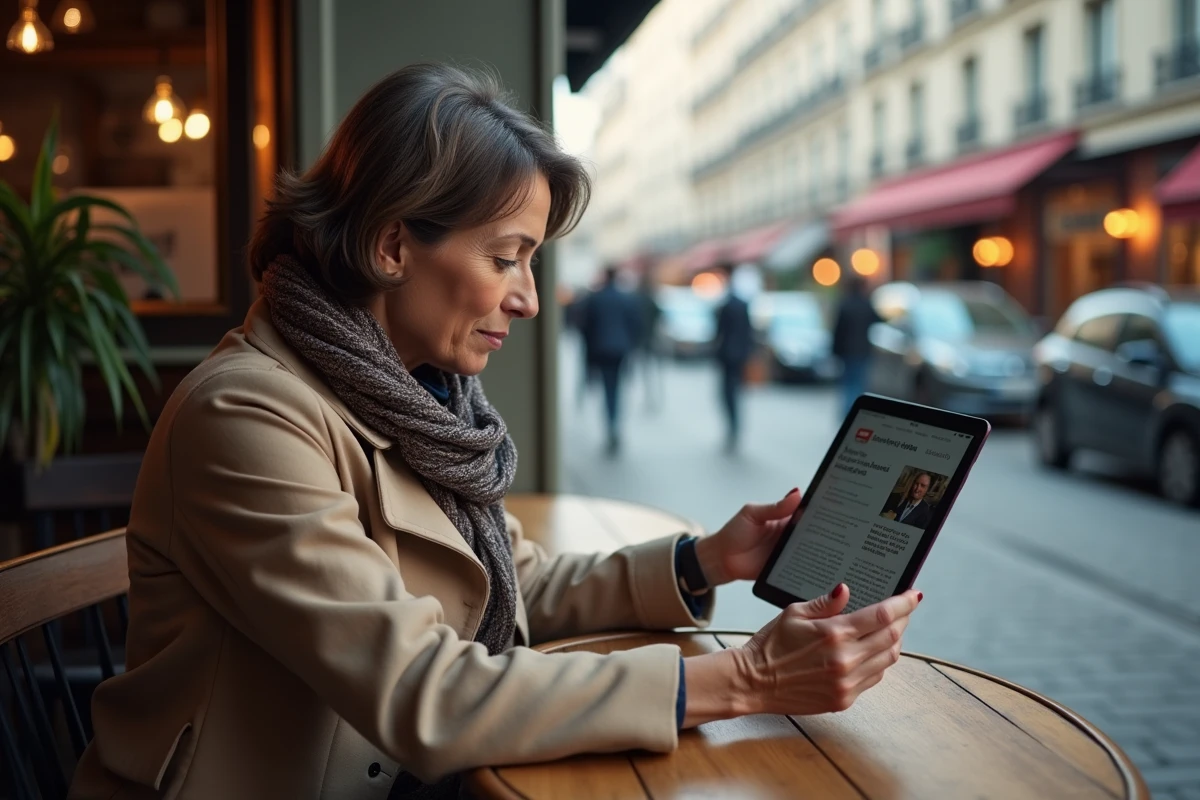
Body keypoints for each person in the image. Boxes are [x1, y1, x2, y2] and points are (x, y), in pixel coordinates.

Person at [68, 64, 921, 800]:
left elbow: (509, 586)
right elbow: (422, 693)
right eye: (506, 255)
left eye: (533, 260)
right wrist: (747, 678)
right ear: (393, 245)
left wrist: (705, 561)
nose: (529, 298)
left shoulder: (409, 395)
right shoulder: (247, 415)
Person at [580, 266, 642, 453]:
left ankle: (611, 425)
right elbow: (635, 326)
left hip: (601, 351)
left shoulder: (596, 299)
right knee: (617, 390)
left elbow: (587, 331)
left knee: (608, 390)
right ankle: (615, 425)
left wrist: (588, 362)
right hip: (620, 350)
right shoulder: (626, 299)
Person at [714, 264, 755, 452]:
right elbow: (749, 332)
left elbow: (719, 333)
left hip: (727, 355)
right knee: (734, 392)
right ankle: (735, 426)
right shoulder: (742, 304)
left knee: (728, 393)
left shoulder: (726, 304)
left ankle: (732, 426)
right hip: (738, 355)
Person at [831, 273, 883, 418]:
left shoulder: (845, 304)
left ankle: (847, 412)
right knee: (859, 383)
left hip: (846, 351)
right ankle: (855, 412)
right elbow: (879, 320)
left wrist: (834, 351)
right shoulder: (866, 304)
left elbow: (837, 331)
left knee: (847, 383)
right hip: (862, 351)